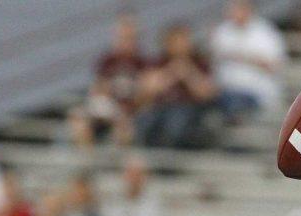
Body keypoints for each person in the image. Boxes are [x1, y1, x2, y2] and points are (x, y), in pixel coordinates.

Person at [137, 24, 217, 149]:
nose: (182, 45)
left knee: (176, 124)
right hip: (161, 106)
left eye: (184, 40)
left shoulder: (199, 63)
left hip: (188, 108)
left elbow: (207, 94)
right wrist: (171, 73)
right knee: (144, 123)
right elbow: (147, 90)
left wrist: (188, 73)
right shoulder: (159, 62)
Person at [69, 15, 143, 148]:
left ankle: (115, 162)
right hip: (108, 105)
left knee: (124, 126)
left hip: (129, 110)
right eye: (122, 37)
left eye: (129, 37)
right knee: (78, 117)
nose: (125, 42)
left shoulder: (142, 62)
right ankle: (86, 159)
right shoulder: (107, 61)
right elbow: (97, 88)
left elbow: (145, 92)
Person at [208, 0, 287, 121]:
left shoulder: (265, 33)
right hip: (225, 89)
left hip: (256, 91)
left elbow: (275, 65)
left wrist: (245, 57)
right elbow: (213, 59)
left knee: (233, 102)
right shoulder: (222, 32)